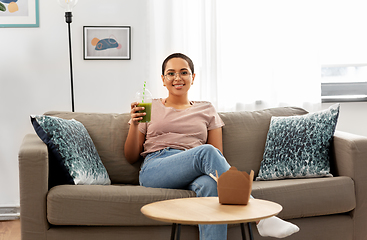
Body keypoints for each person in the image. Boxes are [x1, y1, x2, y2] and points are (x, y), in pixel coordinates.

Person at [124, 53, 299, 240]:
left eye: (184, 72)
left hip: (194, 167)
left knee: (210, 185)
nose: (177, 78)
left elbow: (217, 156)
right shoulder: (148, 106)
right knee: (206, 152)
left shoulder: (206, 109)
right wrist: (134, 124)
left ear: (193, 77)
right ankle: (261, 217)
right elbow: (131, 156)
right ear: (163, 79)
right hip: (156, 167)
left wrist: (196, 162)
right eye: (171, 73)